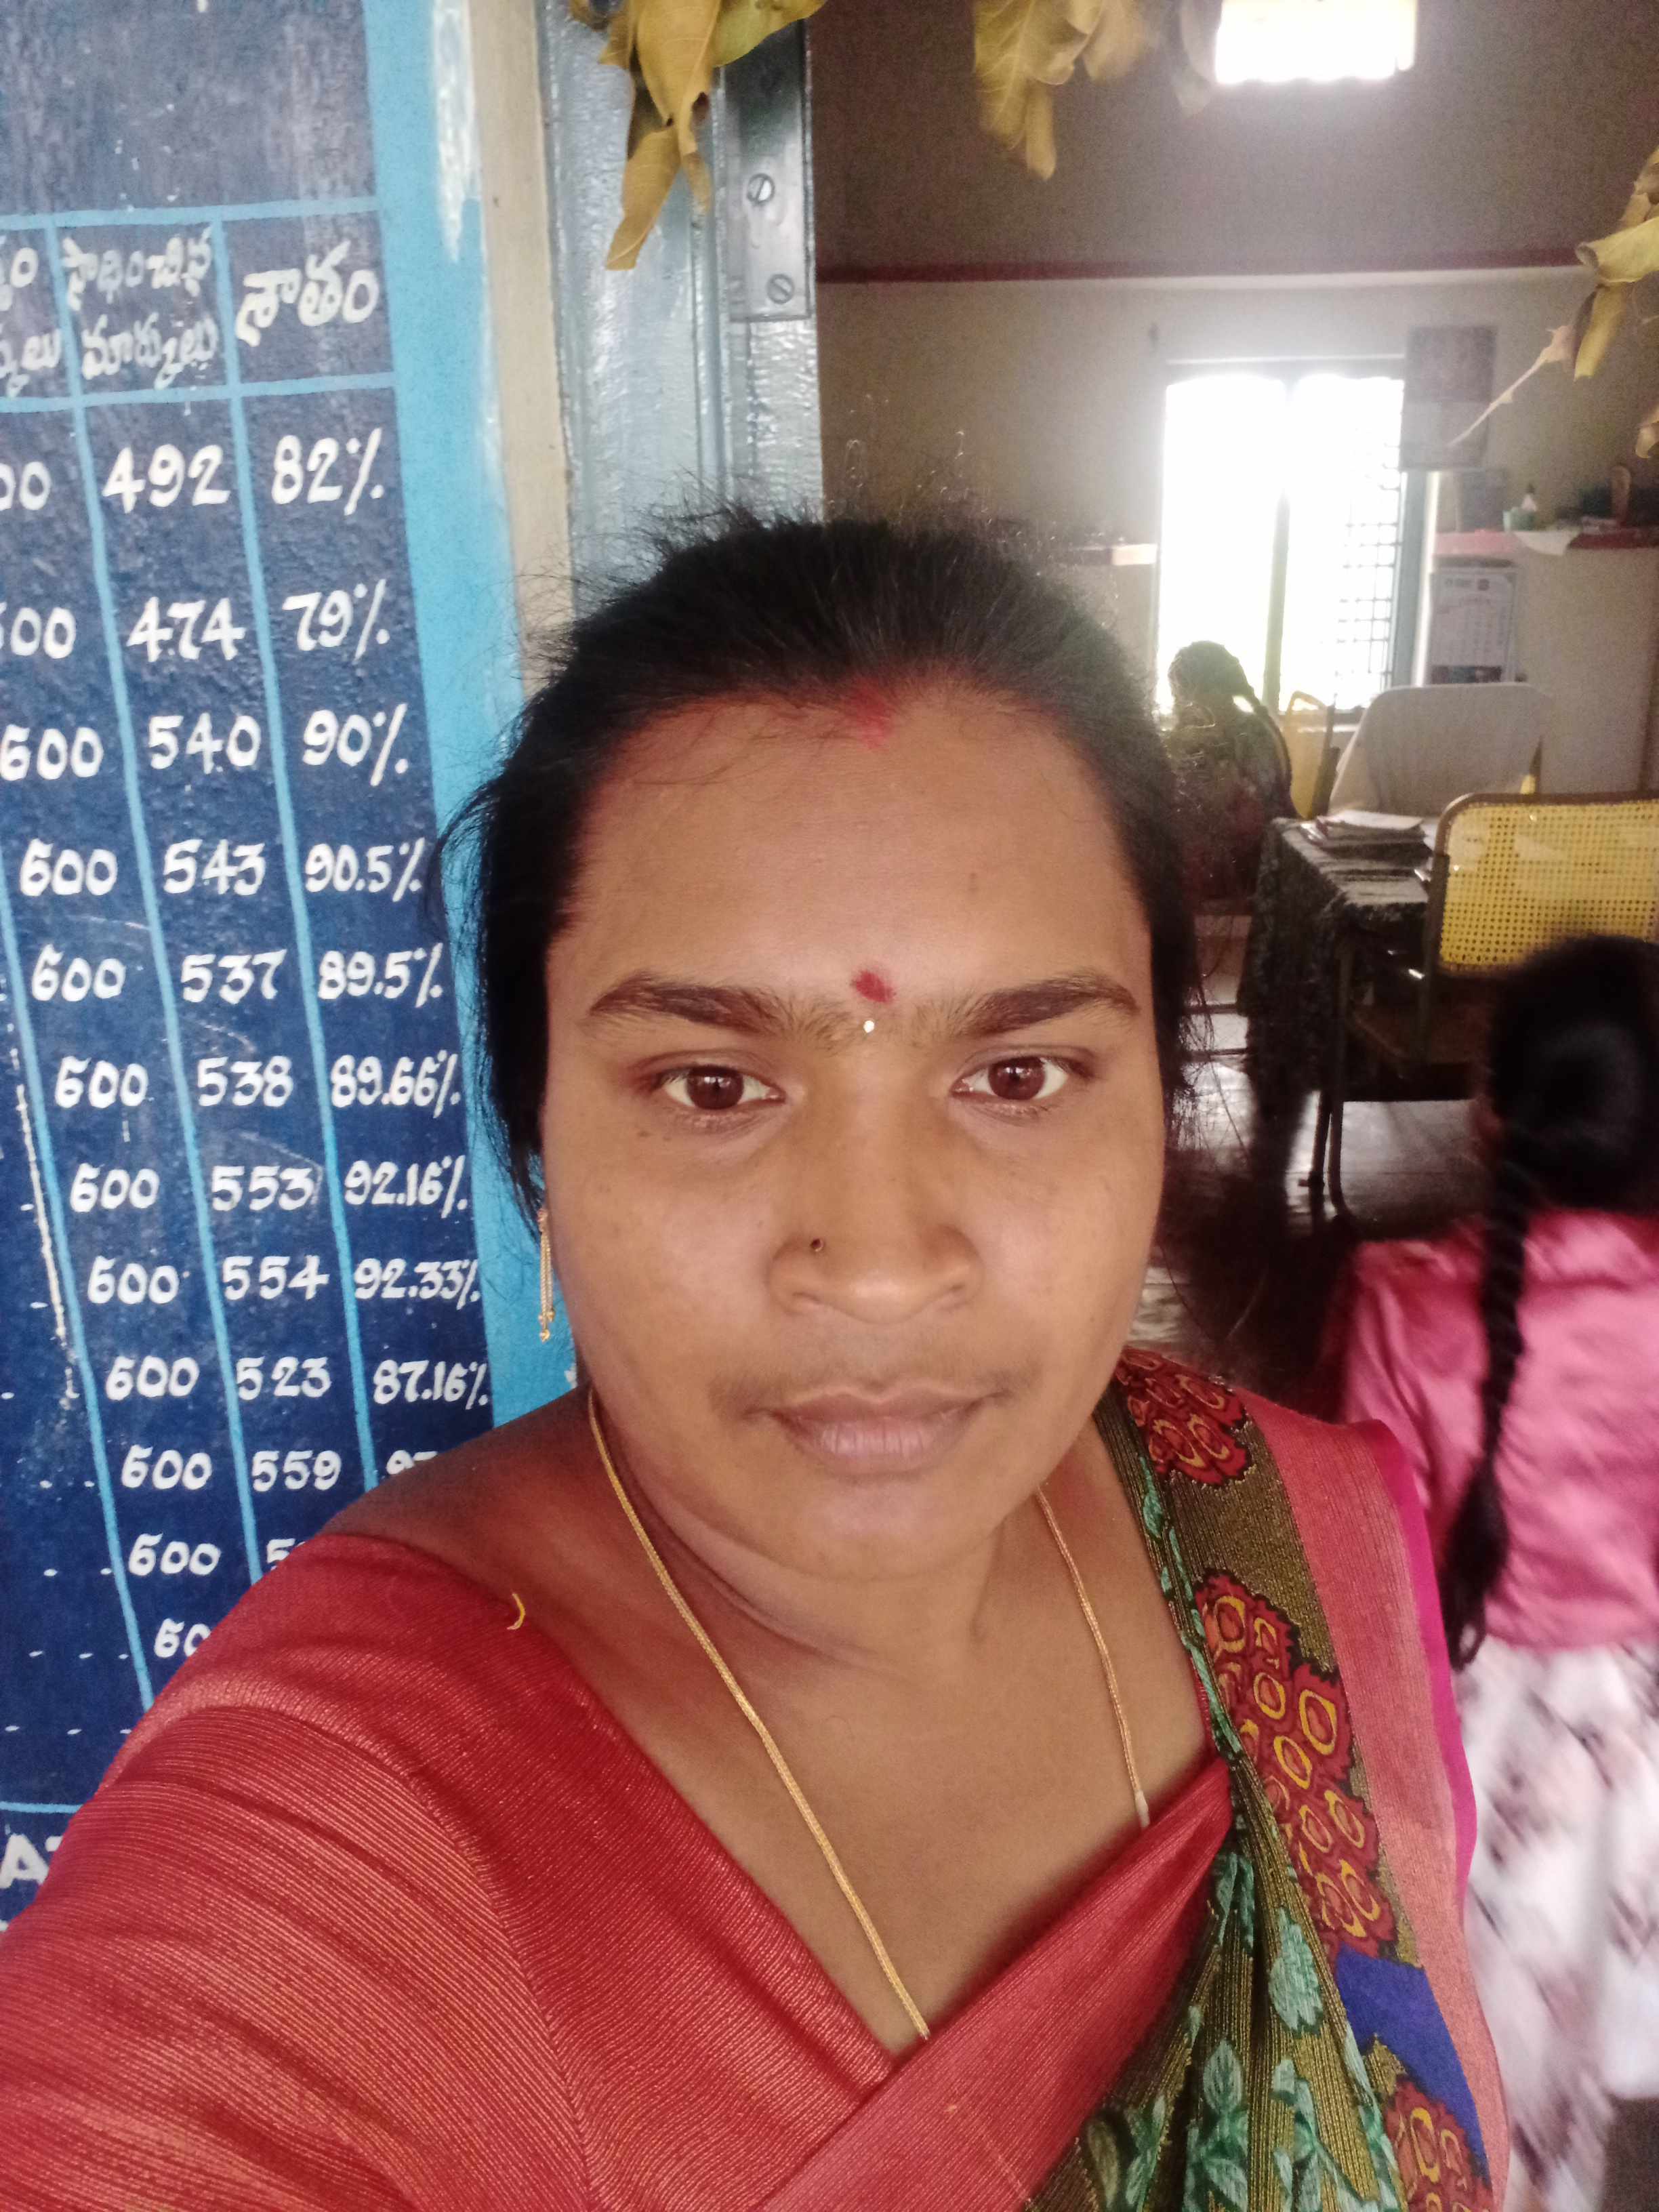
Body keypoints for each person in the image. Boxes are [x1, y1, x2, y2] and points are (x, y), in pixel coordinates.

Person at [0, 515, 1503, 2210]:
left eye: (1016, 1075)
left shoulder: (1296, 1541)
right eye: (712, 1087)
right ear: (539, 1155)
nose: (878, 1264)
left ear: (1161, 1100)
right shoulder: (338, 1837)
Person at [1336, 935, 1659, 2212]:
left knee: (1481, 2047)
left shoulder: (1399, 1297)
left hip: (1469, 1735)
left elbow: (1367, 1558)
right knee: (1578, 2049)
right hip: (1637, 1746)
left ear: (1490, 1112)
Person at [1165, 640, 1295, 905]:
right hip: (1235, 845)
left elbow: (1253, 815)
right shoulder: (1209, 731)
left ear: (1214, 691)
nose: (1179, 704)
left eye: (1183, 695)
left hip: (1258, 857)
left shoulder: (1252, 736)